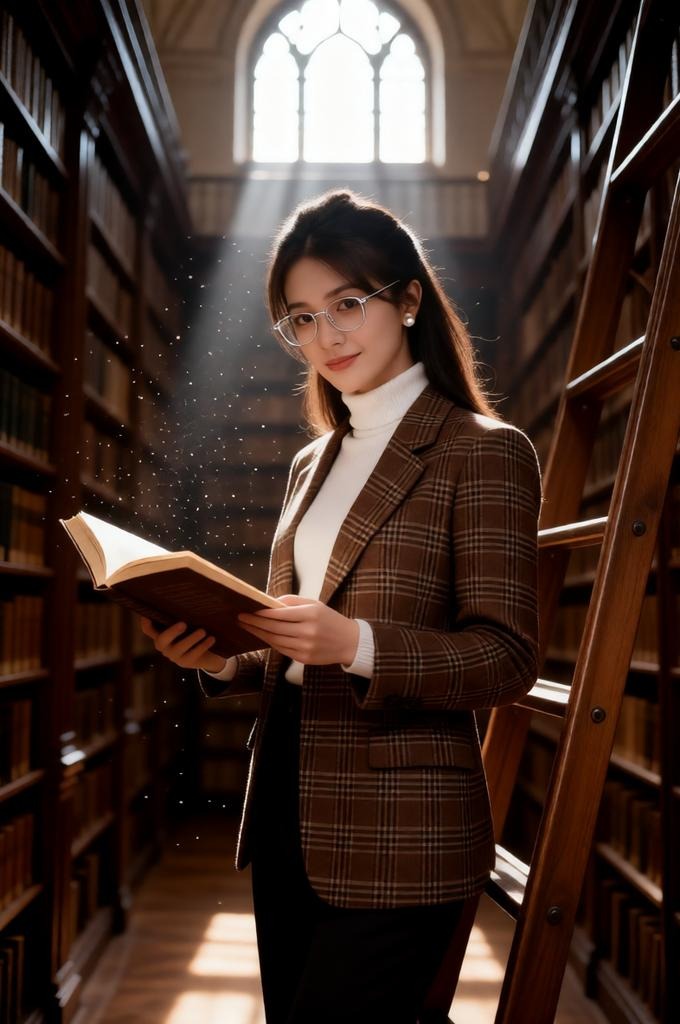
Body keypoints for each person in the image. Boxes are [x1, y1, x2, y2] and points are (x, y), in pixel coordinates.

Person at [140, 189, 542, 1024]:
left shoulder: (485, 453)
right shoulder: (310, 463)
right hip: (286, 803)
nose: (326, 337)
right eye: (301, 318)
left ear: (408, 299)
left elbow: (507, 658)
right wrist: (221, 656)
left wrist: (357, 643)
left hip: (405, 829)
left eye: (348, 305)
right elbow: (296, 642)